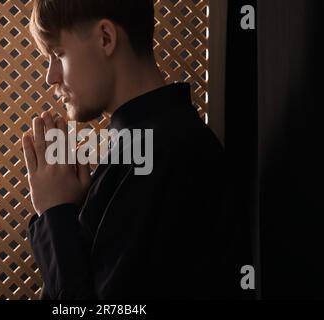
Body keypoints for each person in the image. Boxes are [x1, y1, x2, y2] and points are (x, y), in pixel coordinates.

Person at [22, 0, 250, 299]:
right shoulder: (149, 146)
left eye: (58, 54)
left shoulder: (161, 154)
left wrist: (55, 213)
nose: (50, 77)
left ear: (105, 38)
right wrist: (75, 211)